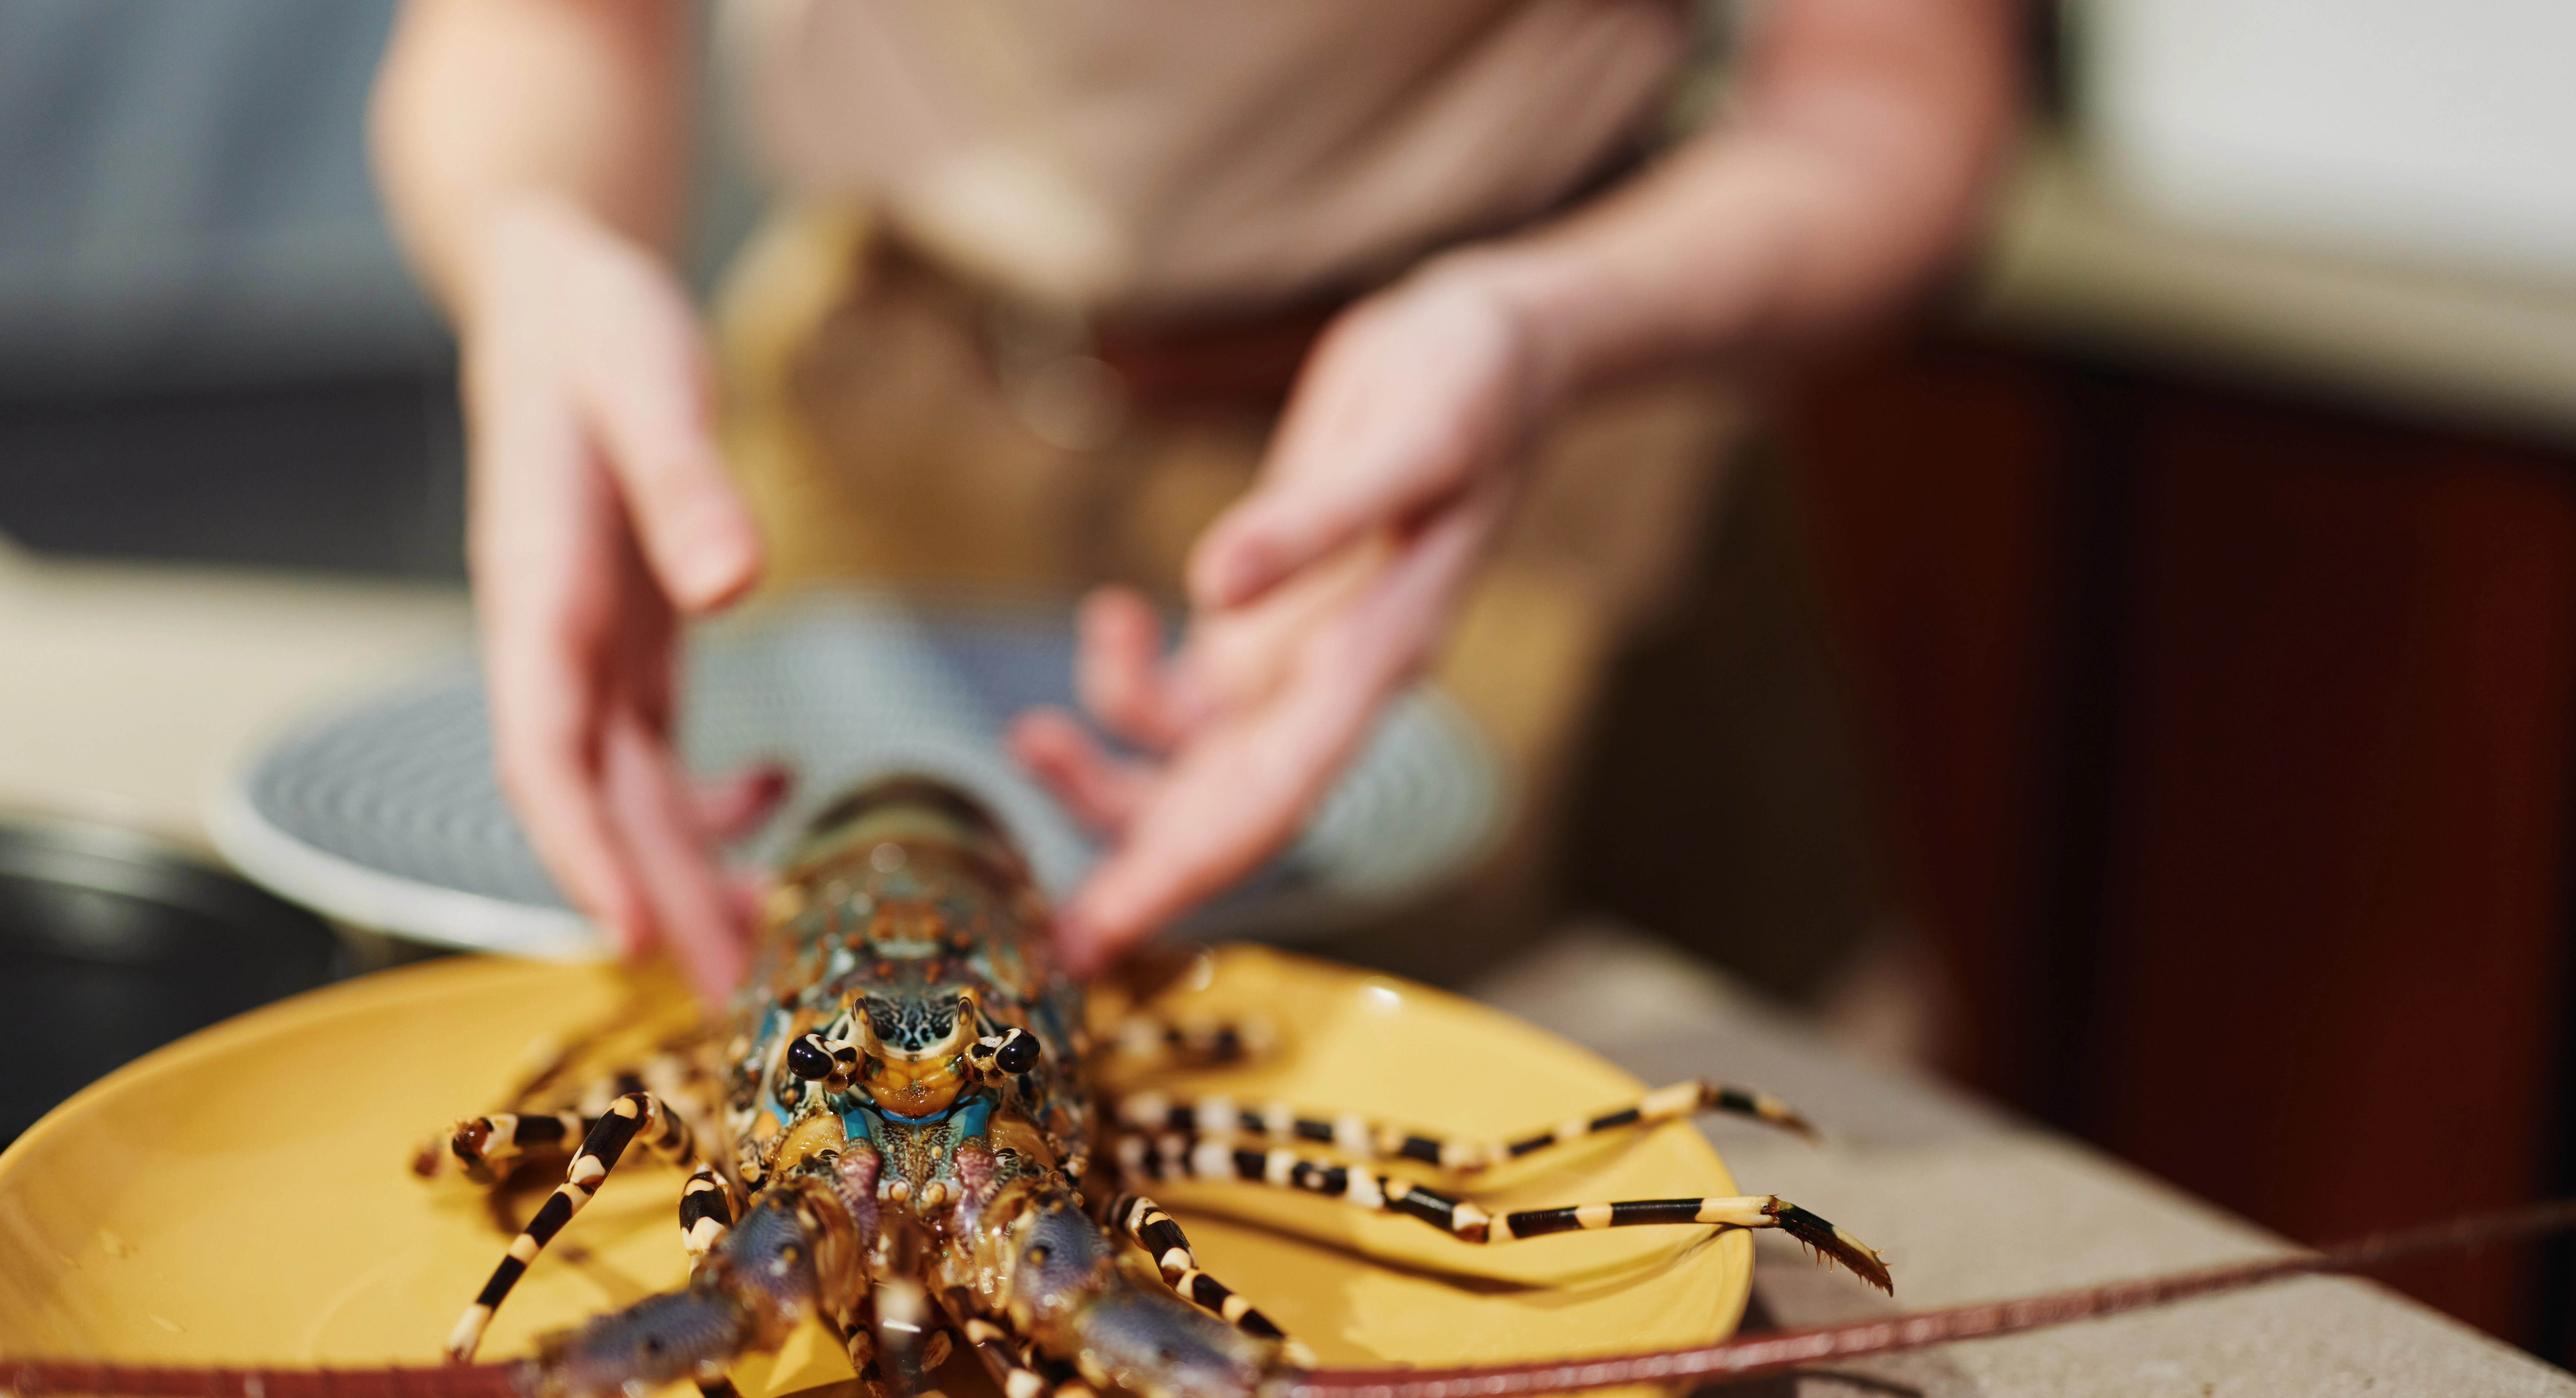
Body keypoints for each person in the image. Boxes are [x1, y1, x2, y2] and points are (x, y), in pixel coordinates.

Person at [370, 0, 2014, 1003]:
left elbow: (1887, 91)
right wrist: (535, 260)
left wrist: (1534, 327)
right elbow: (537, 24)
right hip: (880, 401)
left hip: (1529, 410)